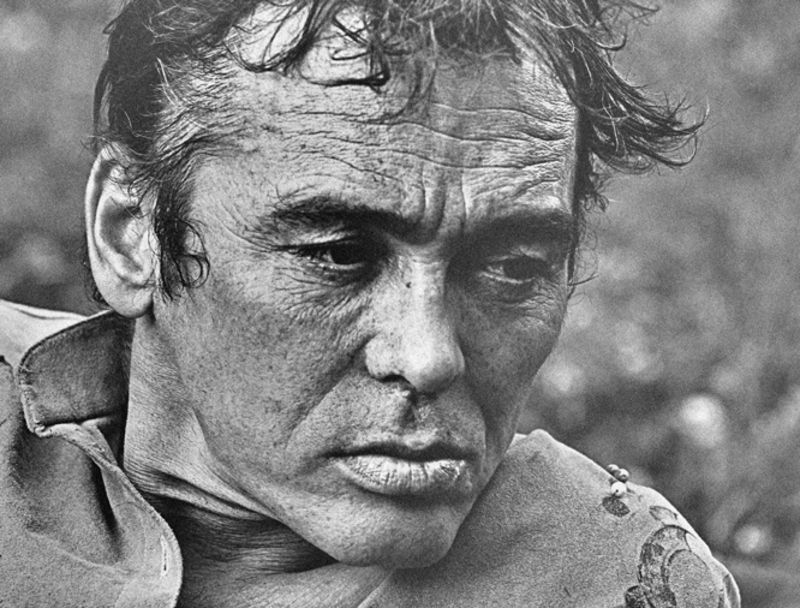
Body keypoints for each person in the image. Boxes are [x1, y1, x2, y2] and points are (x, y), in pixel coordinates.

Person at [0, 1, 740, 606]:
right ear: (129, 234)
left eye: (513, 268)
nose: (429, 358)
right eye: (338, 255)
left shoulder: (621, 580)